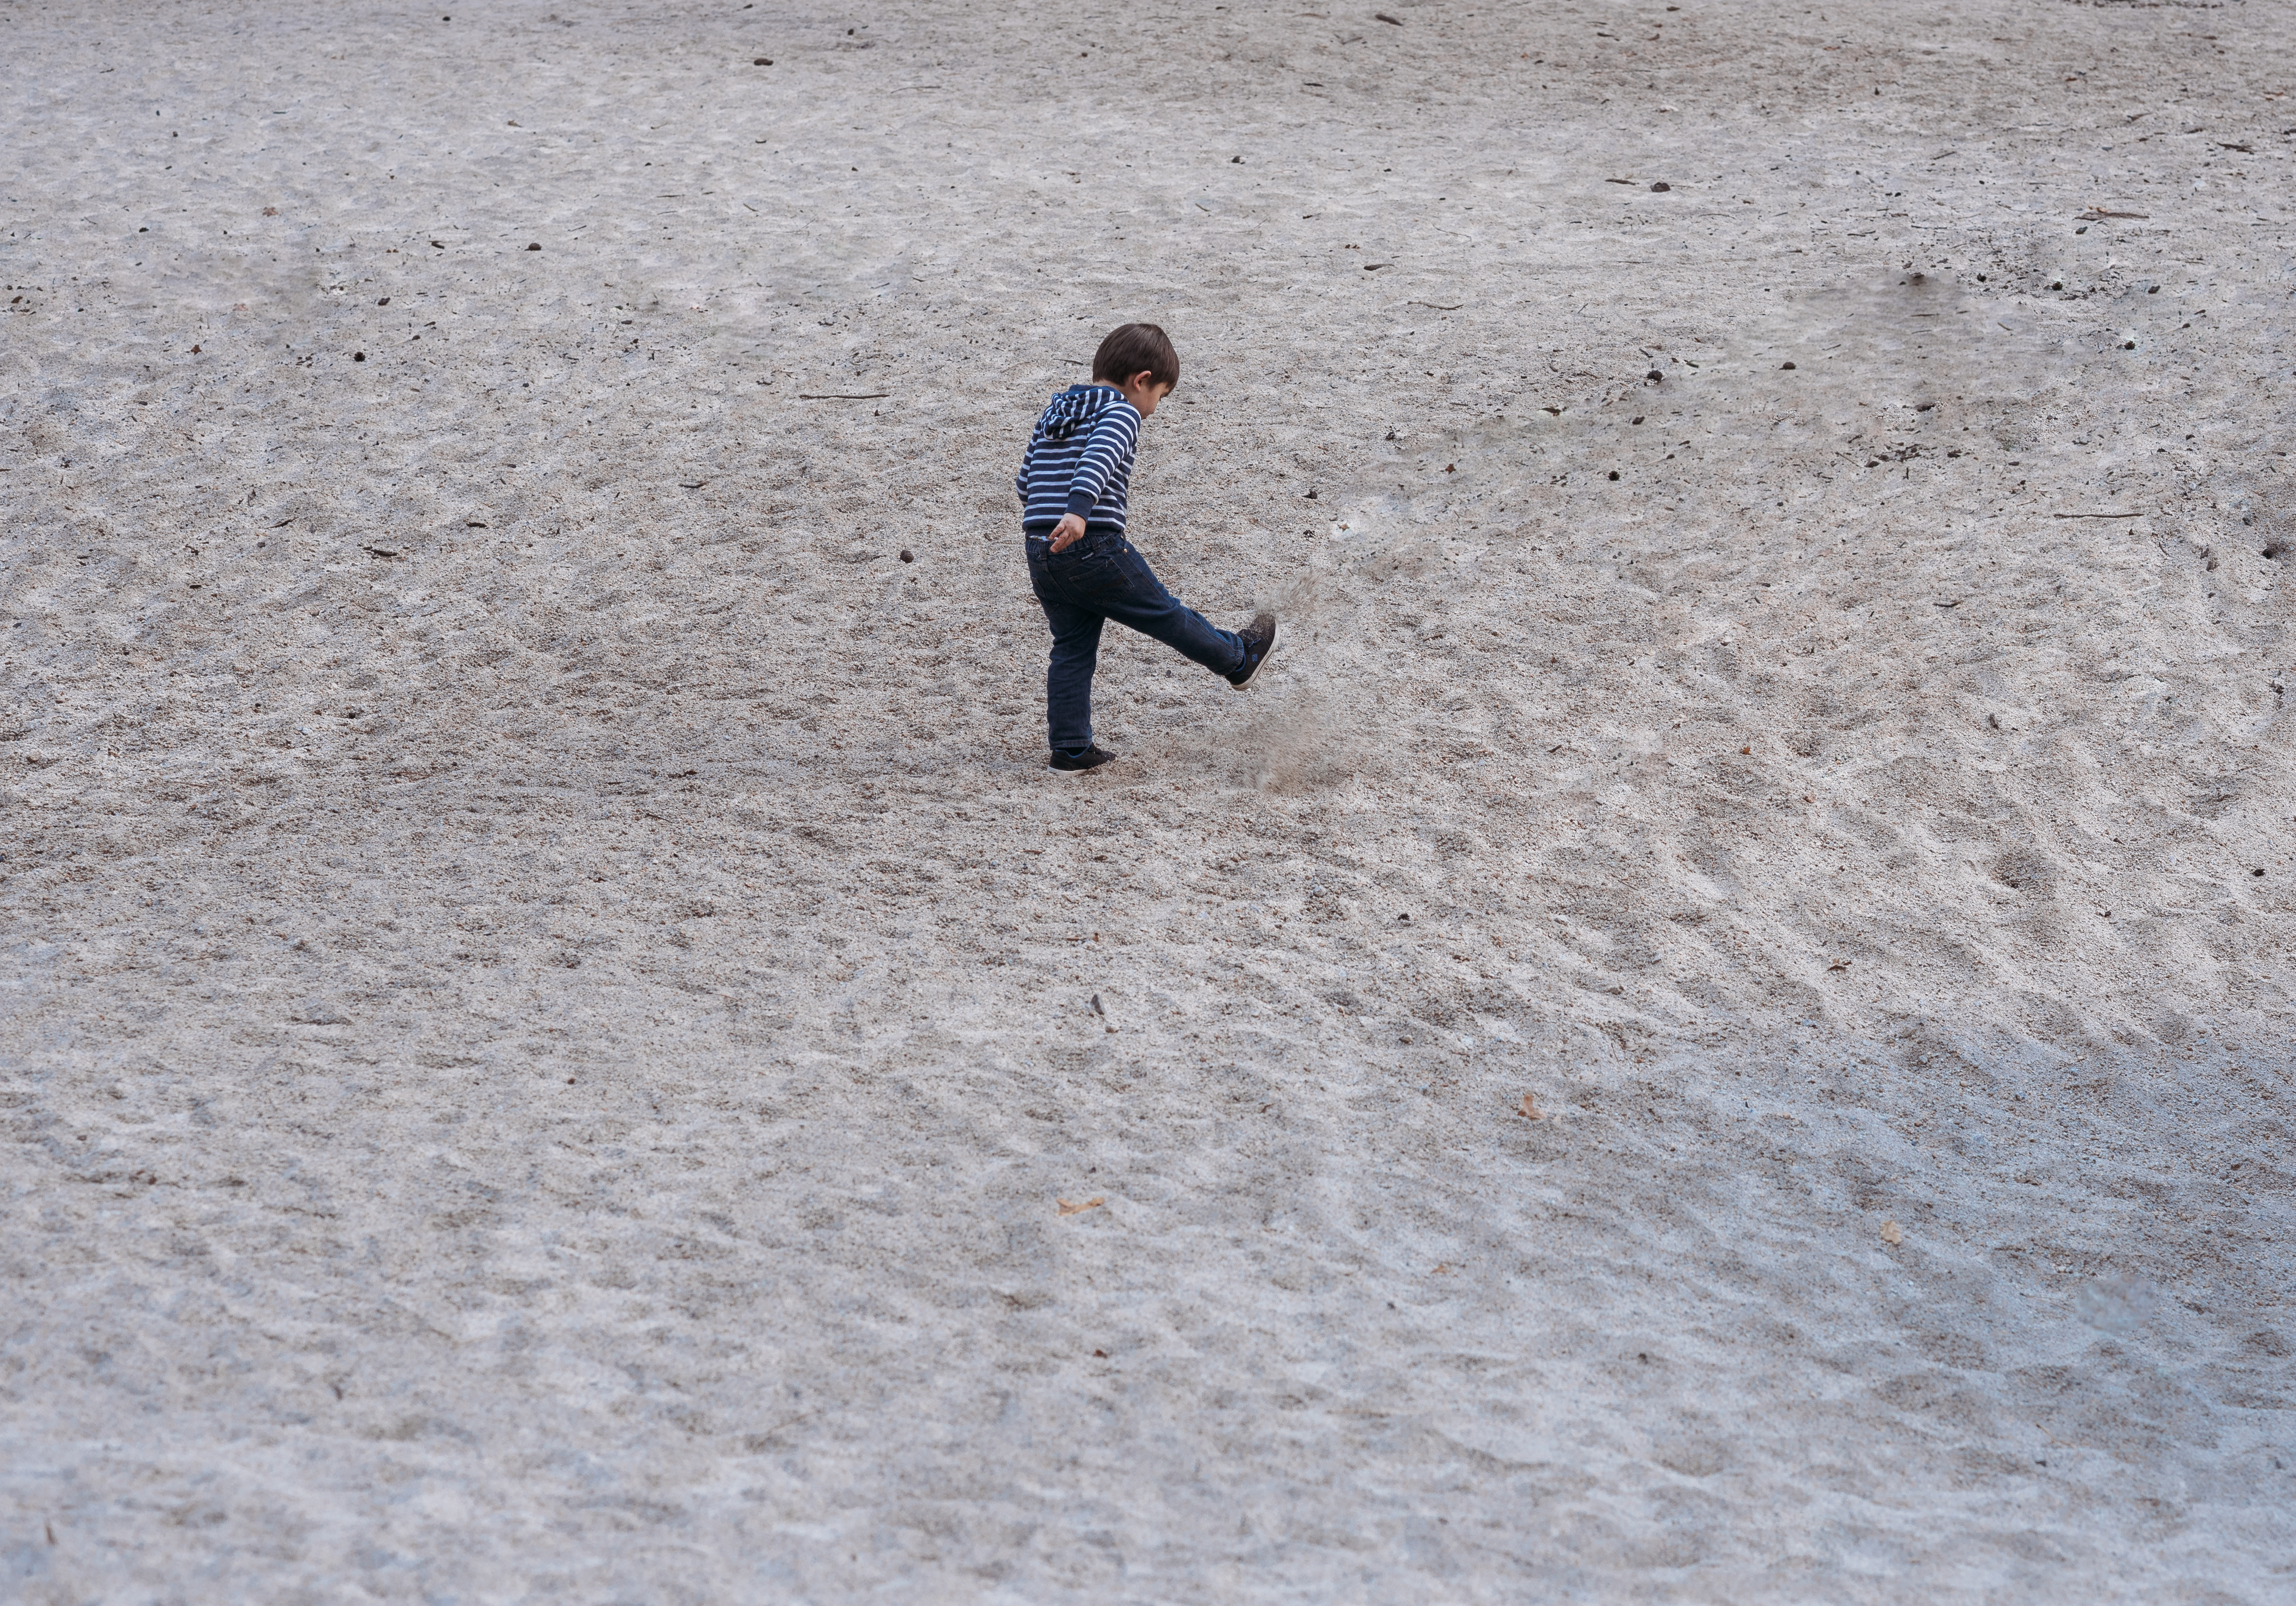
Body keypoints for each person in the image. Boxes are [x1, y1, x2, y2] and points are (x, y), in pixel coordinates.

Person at [1016, 322, 1278, 772]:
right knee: (1164, 612)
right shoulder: (1120, 413)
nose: (1154, 409)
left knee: (1072, 647)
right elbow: (1099, 457)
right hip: (1091, 543)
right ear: (1141, 380)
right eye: (1160, 396)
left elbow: (1025, 481)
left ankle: (1071, 748)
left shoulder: (1054, 412)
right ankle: (1237, 659)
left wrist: (1052, 517)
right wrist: (1078, 512)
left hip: (1041, 548)